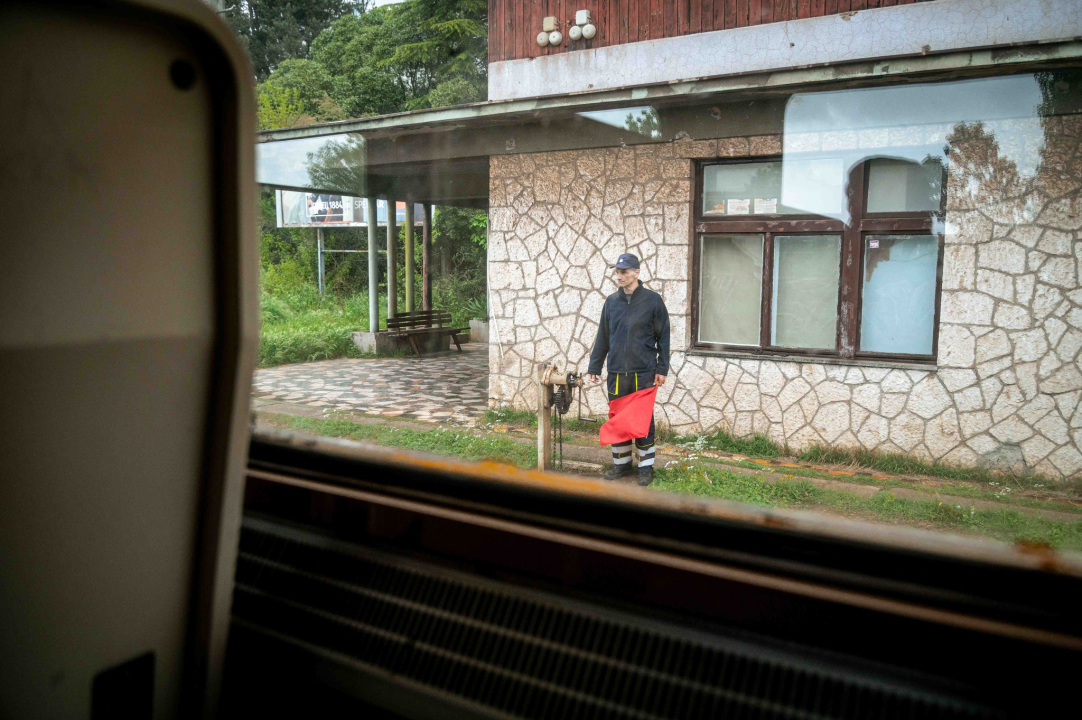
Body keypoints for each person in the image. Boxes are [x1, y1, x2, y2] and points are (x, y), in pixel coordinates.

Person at [586, 253, 670, 486]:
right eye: (617, 272)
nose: (619, 276)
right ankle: (621, 465)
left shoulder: (653, 301)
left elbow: (663, 337)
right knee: (618, 418)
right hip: (616, 372)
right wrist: (595, 365)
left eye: (624, 271)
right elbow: (603, 336)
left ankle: (645, 468)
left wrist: (662, 368)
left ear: (637, 273)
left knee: (642, 420)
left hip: (643, 371)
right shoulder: (611, 302)